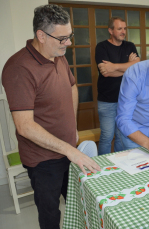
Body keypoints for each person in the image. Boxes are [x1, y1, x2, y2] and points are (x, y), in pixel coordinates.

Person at [1, 4, 100, 229]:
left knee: (79, 203)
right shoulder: (19, 68)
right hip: (43, 159)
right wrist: (70, 150)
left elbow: (72, 87)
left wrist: (73, 127)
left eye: (70, 36)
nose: (69, 43)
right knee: (50, 215)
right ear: (41, 35)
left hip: (68, 149)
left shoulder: (58, 55)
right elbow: (25, 126)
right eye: (63, 38)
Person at [95, 17, 140, 155]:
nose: (123, 31)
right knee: (107, 137)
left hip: (126, 100)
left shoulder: (130, 46)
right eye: (119, 28)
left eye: (125, 28)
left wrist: (113, 67)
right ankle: (102, 168)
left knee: (122, 137)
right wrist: (127, 67)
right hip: (107, 101)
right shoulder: (102, 47)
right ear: (110, 30)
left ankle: (119, 165)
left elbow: (137, 67)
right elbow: (105, 72)